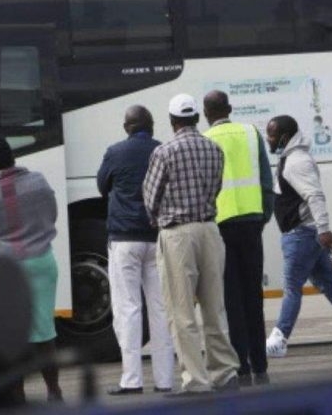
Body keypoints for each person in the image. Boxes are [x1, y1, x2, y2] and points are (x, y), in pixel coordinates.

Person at [143, 94, 240, 395]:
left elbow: (150, 198)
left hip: (178, 234)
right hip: (210, 231)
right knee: (214, 307)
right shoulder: (214, 148)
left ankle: (196, 381)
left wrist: (158, 218)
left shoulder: (164, 151)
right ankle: (225, 373)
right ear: (197, 118)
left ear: (172, 121)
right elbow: (216, 189)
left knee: (181, 311)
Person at [264, 115, 332, 358]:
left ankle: (279, 339)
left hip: (302, 233)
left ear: (284, 137)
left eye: (271, 135)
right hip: (306, 232)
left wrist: (323, 229)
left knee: (292, 287)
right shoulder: (291, 158)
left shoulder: (296, 162)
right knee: (327, 282)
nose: (268, 139)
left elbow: (315, 196)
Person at [0, 134, 63, 403]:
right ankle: (54, 391)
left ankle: (17, 395)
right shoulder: (39, 182)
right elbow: (51, 214)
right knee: (45, 332)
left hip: (5, 273)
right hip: (42, 263)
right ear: (12, 155)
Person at [97, 105, 175, 395]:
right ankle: (165, 380)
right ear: (152, 125)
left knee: (127, 309)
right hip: (157, 238)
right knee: (160, 308)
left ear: (126, 127)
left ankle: (132, 380)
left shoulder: (115, 152)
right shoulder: (162, 150)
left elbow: (102, 186)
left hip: (124, 239)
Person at [202, 90, 274, 386]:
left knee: (231, 299)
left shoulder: (206, 139)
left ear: (206, 114)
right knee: (253, 296)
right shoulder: (250, 132)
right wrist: (263, 217)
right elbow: (266, 181)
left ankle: (241, 364)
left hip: (221, 226)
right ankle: (260, 363)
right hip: (252, 224)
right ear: (229, 108)